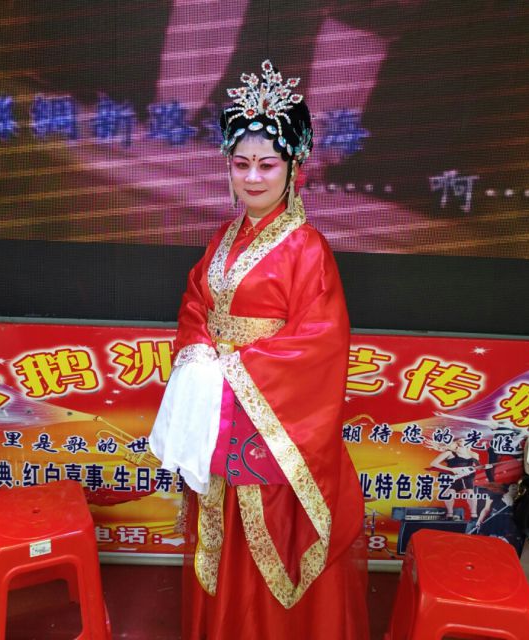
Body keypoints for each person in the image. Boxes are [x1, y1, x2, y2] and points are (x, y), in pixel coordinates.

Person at [149, 60, 369, 639]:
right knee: (223, 533)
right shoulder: (223, 239)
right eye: (241, 163)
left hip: (270, 423)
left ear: (293, 168)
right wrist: (199, 352)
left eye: (267, 164)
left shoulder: (307, 248)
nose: (252, 177)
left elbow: (319, 343)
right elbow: (196, 303)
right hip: (219, 412)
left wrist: (232, 370)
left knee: (267, 535)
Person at [429, 437, 481, 521]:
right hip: (452, 476)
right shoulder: (449, 452)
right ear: (455, 443)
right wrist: (451, 470)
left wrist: (473, 468)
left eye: (465, 440)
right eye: (460, 441)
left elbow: (477, 467)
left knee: (470, 492)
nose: (463, 442)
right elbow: (433, 463)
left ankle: (474, 514)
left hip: (467, 476)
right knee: (450, 493)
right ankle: (450, 513)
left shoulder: (474, 454)